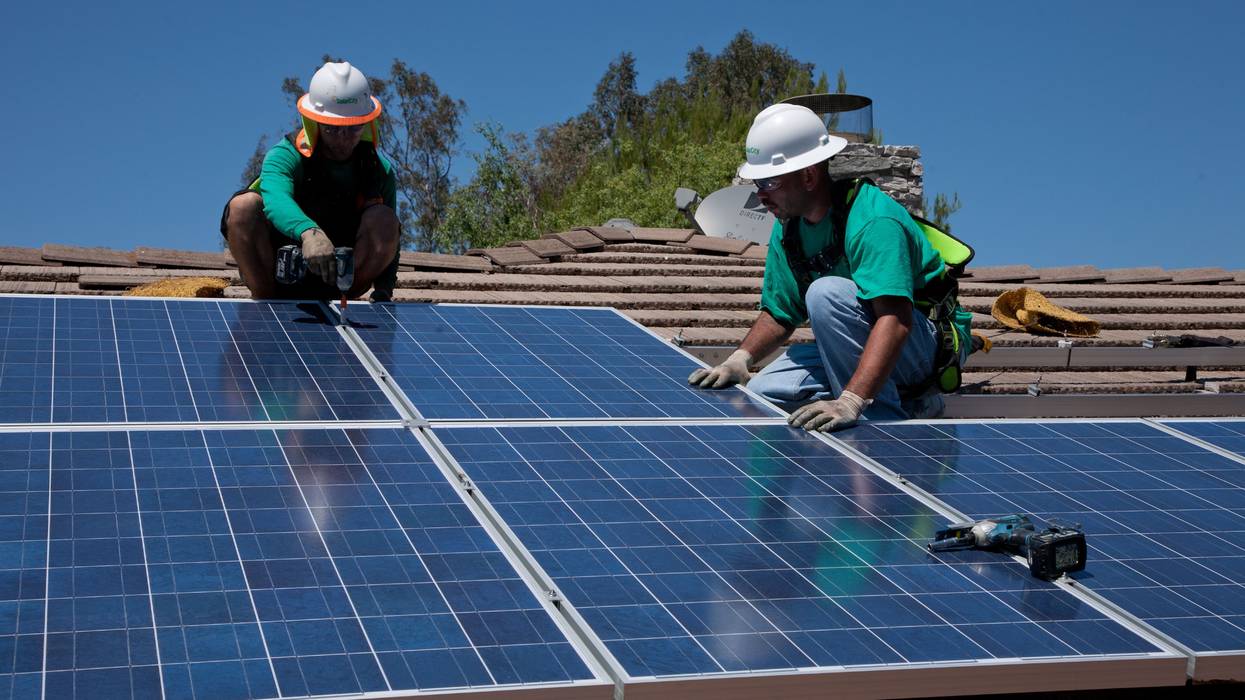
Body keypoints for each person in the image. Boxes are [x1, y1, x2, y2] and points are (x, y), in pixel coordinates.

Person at [689, 103, 972, 432]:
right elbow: (781, 313)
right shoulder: (789, 226)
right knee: (763, 393)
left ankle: (886, 423)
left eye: (768, 181)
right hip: (869, 339)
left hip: (926, 345)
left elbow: (895, 321)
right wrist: (741, 359)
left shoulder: (873, 219)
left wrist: (850, 400)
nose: (760, 195)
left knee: (825, 293)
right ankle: (895, 398)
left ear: (808, 175)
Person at [221, 61, 400, 301]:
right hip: (277, 274)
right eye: (332, 129)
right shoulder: (284, 156)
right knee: (243, 207)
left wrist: (385, 289)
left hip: (341, 280)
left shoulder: (379, 171)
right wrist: (309, 232)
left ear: (366, 122)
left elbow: (391, 235)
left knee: (385, 218)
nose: (343, 138)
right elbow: (276, 200)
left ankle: (342, 297)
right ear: (314, 122)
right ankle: (265, 300)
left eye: (353, 128)